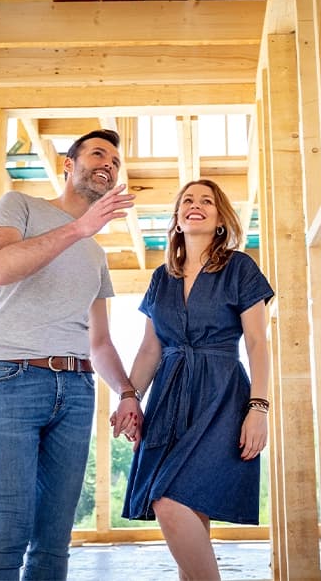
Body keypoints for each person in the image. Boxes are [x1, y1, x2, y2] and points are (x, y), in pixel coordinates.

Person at [0, 129, 143, 580]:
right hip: (9, 377)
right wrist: (79, 228)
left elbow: (100, 341)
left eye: (116, 162)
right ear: (69, 164)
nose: (109, 163)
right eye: (98, 154)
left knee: (53, 540)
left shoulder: (96, 254)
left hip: (77, 389)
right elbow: (0, 269)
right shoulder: (20, 206)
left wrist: (127, 392)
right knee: (5, 530)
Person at [112, 179, 274, 581]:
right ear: (178, 218)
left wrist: (259, 407)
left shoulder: (240, 267)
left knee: (167, 500)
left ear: (220, 220)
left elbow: (257, 342)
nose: (196, 205)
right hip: (167, 397)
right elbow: (150, 349)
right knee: (187, 506)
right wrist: (129, 397)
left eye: (207, 201)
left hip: (221, 396)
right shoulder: (161, 278)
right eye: (188, 200)